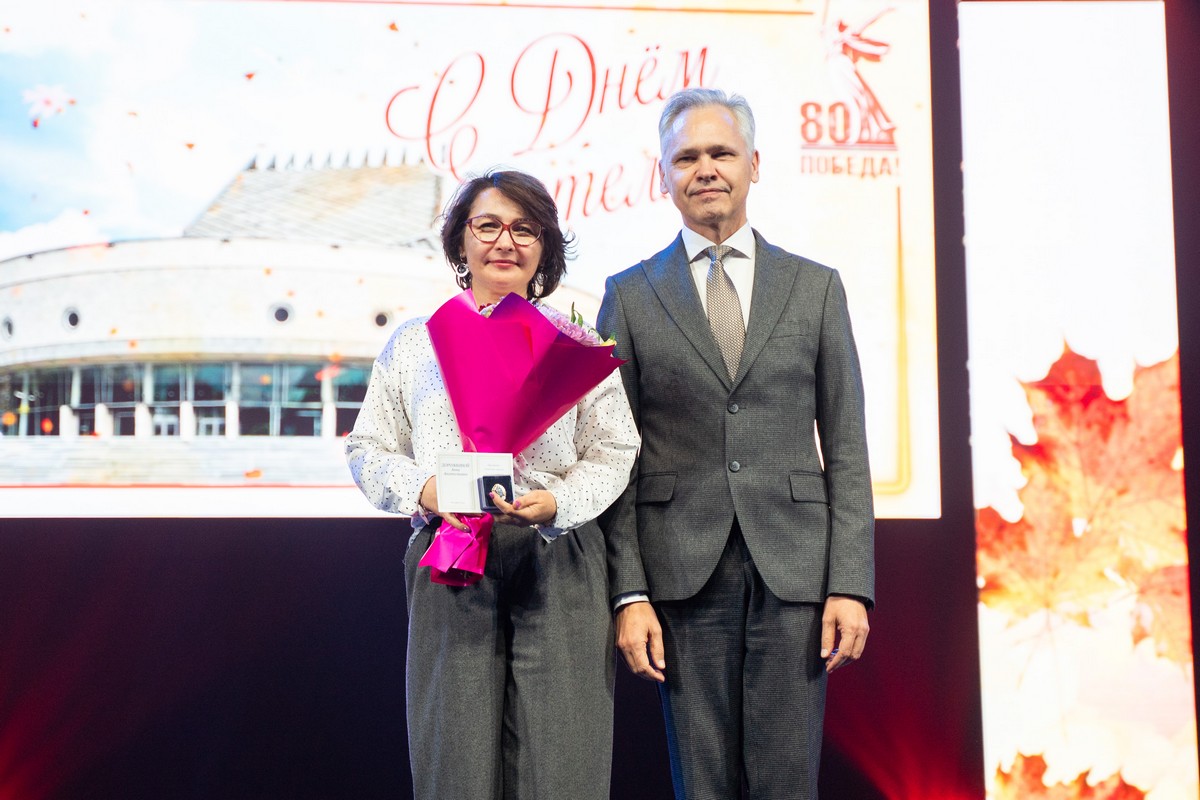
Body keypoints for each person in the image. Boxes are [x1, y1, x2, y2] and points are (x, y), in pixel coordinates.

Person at [598, 88, 875, 799]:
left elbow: (847, 446)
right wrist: (629, 592)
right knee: (704, 784)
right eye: (686, 157)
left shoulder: (815, 288)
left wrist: (849, 583)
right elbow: (613, 458)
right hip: (680, 572)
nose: (706, 169)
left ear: (754, 164)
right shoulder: (629, 295)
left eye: (721, 152)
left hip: (796, 571)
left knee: (787, 783)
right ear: (664, 174)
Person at [346, 170, 639, 800]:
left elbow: (615, 449)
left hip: (556, 555)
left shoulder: (576, 344)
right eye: (487, 225)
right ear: (460, 240)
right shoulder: (414, 345)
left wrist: (559, 502)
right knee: (453, 766)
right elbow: (367, 449)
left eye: (525, 229)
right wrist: (425, 491)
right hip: (450, 555)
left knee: (564, 765)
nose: (505, 241)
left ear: (544, 246)